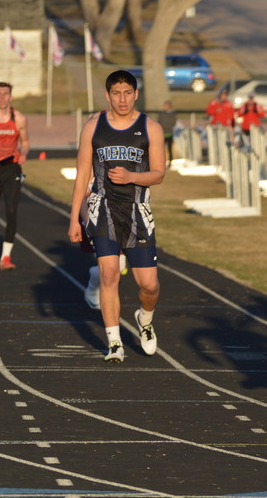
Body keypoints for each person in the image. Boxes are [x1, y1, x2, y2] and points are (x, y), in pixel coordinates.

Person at [68, 70, 166, 363]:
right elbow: (82, 174)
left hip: (138, 212)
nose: (122, 99)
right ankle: (114, 343)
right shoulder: (93, 127)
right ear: (108, 95)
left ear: (136, 95)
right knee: (109, 274)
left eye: (127, 93)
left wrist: (131, 176)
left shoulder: (151, 128)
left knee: (148, 285)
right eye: (116, 93)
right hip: (103, 210)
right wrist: (74, 218)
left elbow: (159, 174)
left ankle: (145, 321)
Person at [0, 82, 29, 270]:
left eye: (6, 94)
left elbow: (25, 141)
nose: (2, 97)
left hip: (11, 169)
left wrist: (24, 153)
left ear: (11, 97)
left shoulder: (19, 118)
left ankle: (5, 257)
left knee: (12, 209)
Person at [157, 100, 177, 165]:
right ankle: (162, 161)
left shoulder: (173, 114)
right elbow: (159, 121)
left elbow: (173, 123)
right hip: (163, 133)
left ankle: (170, 161)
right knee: (161, 149)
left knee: (169, 148)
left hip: (169, 133)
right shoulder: (162, 114)